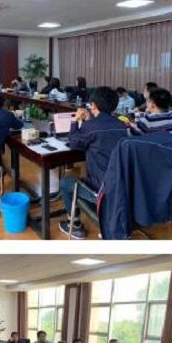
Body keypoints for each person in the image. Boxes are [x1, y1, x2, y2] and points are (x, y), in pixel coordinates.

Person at [58, 86, 128, 240]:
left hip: (101, 192)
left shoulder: (91, 127)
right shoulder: (121, 125)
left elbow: (74, 143)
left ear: (93, 105)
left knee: (65, 182)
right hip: (121, 188)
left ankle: (75, 225)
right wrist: (90, 121)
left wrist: (75, 120)